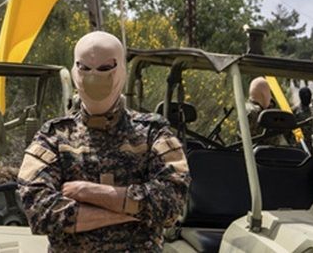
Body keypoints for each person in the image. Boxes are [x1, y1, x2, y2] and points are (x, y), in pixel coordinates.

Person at [18, 31, 189, 252]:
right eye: (85, 68)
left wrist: (88, 191)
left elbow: (171, 203)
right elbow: (39, 211)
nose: (94, 77)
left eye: (105, 68)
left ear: (122, 72)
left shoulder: (153, 133)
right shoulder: (53, 136)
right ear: (74, 72)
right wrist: (131, 212)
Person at [245, 78, 291, 146]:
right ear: (264, 94)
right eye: (269, 93)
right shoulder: (258, 114)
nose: (271, 98)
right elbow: (277, 142)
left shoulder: (245, 109)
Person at [293, 86, 313, 152]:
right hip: (299, 144)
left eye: (309, 96)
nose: (308, 98)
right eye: (305, 96)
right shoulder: (295, 111)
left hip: (311, 144)